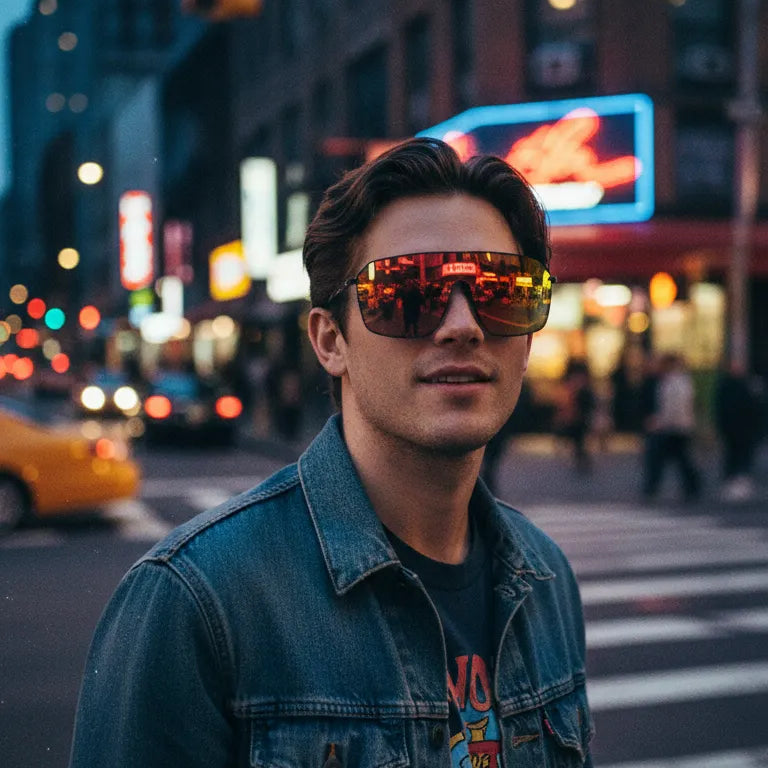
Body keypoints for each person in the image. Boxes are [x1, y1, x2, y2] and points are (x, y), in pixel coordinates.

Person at [69, 138, 594, 767]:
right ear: (330, 340)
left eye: (503, 290)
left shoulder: (547, 578)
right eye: (410, 293)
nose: (464, 325)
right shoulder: (196, 600)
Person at [642, 352, 701, 502]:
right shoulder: (678, 381)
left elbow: (674, 407)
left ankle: (653, 487)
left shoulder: (674, 382)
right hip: (677, 426)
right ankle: (692, 486)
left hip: (673, 427)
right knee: (680, 459)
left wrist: (660, 422)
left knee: (662, 459)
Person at [714, 361, 766, 501]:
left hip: (745, 429)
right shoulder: (727, 386)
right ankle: (733, 481)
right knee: (733, 455)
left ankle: (741, 481)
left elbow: (758, 408)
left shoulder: (749, 384)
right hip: (733, 428)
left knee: (743, 455)